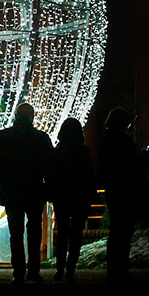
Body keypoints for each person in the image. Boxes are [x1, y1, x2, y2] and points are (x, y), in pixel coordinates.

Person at [0, 103, 53, 284]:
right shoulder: (41, 138)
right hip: (34, 190)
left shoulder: (3, 137)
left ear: (16, 115)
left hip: (12, 190)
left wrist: (2, 181)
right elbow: (49, 166)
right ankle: (34, 271)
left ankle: (18, 272)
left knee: (15, 233)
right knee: (34, 231)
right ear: (32, 117)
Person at [98, 107, 144, 283]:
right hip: (125, 191)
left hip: (112, 190)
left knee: (115, 231)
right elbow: (133, 167)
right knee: (124, 232)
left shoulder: (104, 142)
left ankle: (113, 269)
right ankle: (121, 269)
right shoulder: (125, 141)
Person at [50, 117, 95, 283]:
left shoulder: (58, 151)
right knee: (76, 235)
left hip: (62, 197)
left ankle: (60, 269)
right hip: (80, 197)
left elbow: (52, 175)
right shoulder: (83, 152)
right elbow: (89, 176)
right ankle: (70, 269)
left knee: (62, 233)